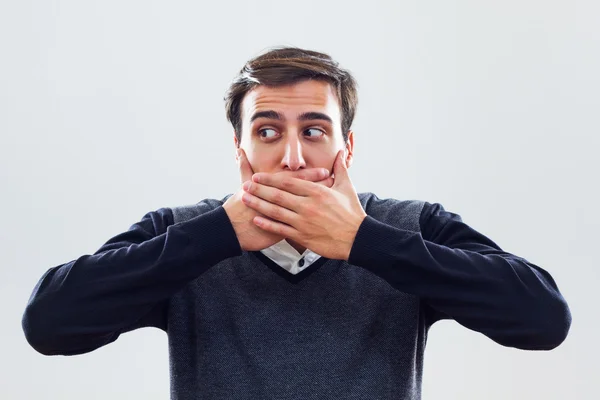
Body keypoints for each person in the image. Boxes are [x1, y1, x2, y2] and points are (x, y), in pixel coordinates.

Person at [22, 47, 572, 400]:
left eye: (313, 130)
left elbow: (544, 320)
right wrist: (218, 235)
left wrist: (364, 243)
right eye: (266, 131)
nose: (290, 157)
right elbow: (48, 325)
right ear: (239, 148)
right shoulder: (185, 233)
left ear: (346, 148)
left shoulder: (409, 227)